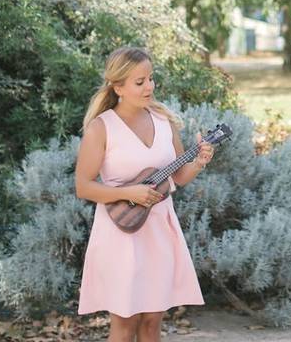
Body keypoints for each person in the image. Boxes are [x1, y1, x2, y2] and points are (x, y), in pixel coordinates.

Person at [75, 47, 213, 342]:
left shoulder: (164, 121)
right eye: (140, 82)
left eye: (151, 78)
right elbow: (83, 186)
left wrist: (199, 162)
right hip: (120, 233)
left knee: (152, 322)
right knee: (125, 324)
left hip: (159, 230)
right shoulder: (101, 129)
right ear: (118, 86)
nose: (149, 87)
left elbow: (178, 176)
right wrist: (129, 193)